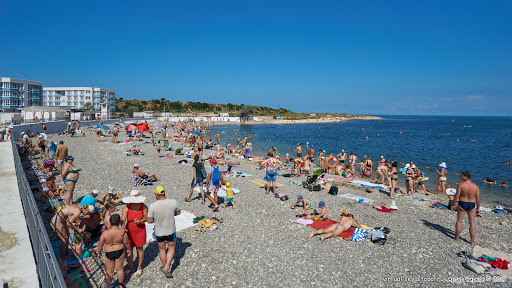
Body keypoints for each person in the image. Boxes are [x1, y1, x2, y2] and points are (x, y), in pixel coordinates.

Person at [147, 186, 181, 278]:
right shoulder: (173, 202)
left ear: (157, 194)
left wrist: (156, 219)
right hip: (170, 230)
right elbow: (178, 212)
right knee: (171, 247)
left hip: (159, 231)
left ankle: (165, 267)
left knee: (162, 249)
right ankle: (167, 267)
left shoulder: (153, 206)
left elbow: (149, 221)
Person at [95, 214, 132, 286]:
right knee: (119, 269)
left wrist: (99, 253)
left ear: (110, 222)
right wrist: (128, 250)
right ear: (119, 222)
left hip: (109, 252)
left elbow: (100, 245)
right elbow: (127, 243)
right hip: (119, 251)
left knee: (109, 271)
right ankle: (121, 285)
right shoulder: (122, 232)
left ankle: (107, 285)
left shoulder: (105, 233)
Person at [121, 190, 147, 277]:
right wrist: (123, 227)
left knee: (140, 248)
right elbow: (123, 219)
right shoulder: (127, 207)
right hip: (130, 229)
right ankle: (130, 266)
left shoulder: (144, 207)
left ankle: (139, 267)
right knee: (129, 249)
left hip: (140, 229)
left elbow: (147, 217)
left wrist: (141, 220)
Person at [451, 171, 481, 246]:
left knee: (459, 221)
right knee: (472, 223)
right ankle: (472, 241)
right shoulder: (476, 186)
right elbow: (478, 199)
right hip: (471, 204)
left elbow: (457, 196)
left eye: (461, 176)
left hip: (462, 203)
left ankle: (457, 238)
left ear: (465, 177)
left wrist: (453, 204)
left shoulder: (461, 185)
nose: (460, 177)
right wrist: (478, 208)